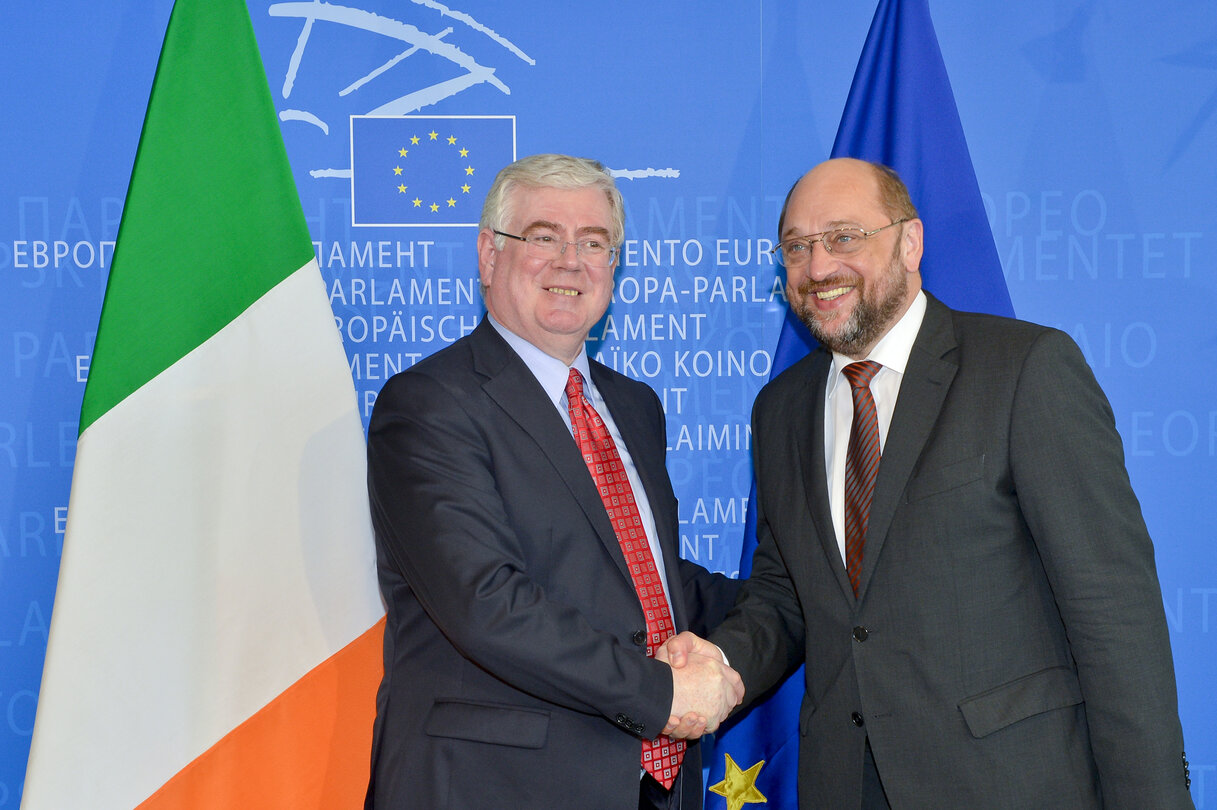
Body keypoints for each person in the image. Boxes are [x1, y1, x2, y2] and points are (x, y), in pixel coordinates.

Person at [663, 158, 1192, 808]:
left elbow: (1111, 610)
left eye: (843, 237)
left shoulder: (1022, 370)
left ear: (908, 242)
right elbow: (785, 597)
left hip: (1007, 783)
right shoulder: (779, 410)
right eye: (796, 247)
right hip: (844, 785)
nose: (817, 267)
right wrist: (722, 668)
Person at [364, 153, 743, 810]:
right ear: (488, 256)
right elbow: (485, 602)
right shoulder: (429, 403)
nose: (571, 261)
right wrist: (665, 695)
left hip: (651, 786)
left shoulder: (634, 406)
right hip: (492, 787)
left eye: (594, 243)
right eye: (543, 238)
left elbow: (644, 580)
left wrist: (795, 609)